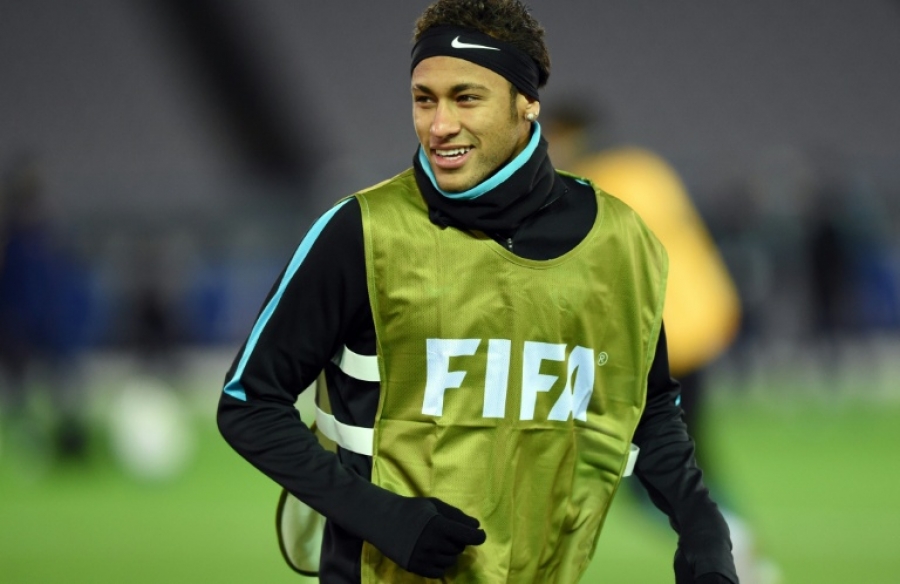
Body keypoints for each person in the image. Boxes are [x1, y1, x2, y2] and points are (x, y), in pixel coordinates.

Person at [217, 1, 738, 582]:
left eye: (466, 98)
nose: (439, 125)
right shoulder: (361, 233)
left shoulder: (617, 239)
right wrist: (382, 518)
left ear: (526, 103)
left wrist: (703, 529)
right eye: (424, 99)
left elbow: (650, 407)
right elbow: (248, 402)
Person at [545, 101, 784, 584]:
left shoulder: (591, 187)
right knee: (685, 458)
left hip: (653, 340)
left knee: (640, 470)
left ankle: (728, 540)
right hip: (696, 328)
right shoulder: (645, 170)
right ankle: (735, 547)